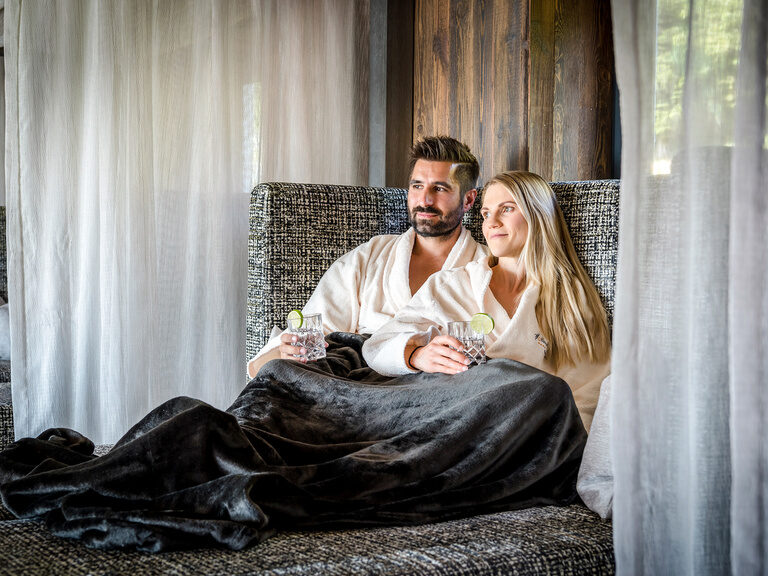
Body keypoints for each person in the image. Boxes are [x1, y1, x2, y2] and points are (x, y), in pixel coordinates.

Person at [363, 170, 611, 431]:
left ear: (538, 215)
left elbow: (586, 392)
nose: (491, 222)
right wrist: (416, 355)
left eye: (506, 209)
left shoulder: (570, 299)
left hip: (521, 436)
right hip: (448, 421)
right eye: (485, 213)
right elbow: (377, 346)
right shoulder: (452, 285)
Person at [247, 135, 489, 377]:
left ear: (468, 199)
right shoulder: (368, 258)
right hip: (351, 386)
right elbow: (308, 339)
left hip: (438, 392)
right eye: (417, 186)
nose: (424, 200)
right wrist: (284, 352)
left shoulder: (486, 269)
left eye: (439, 188)